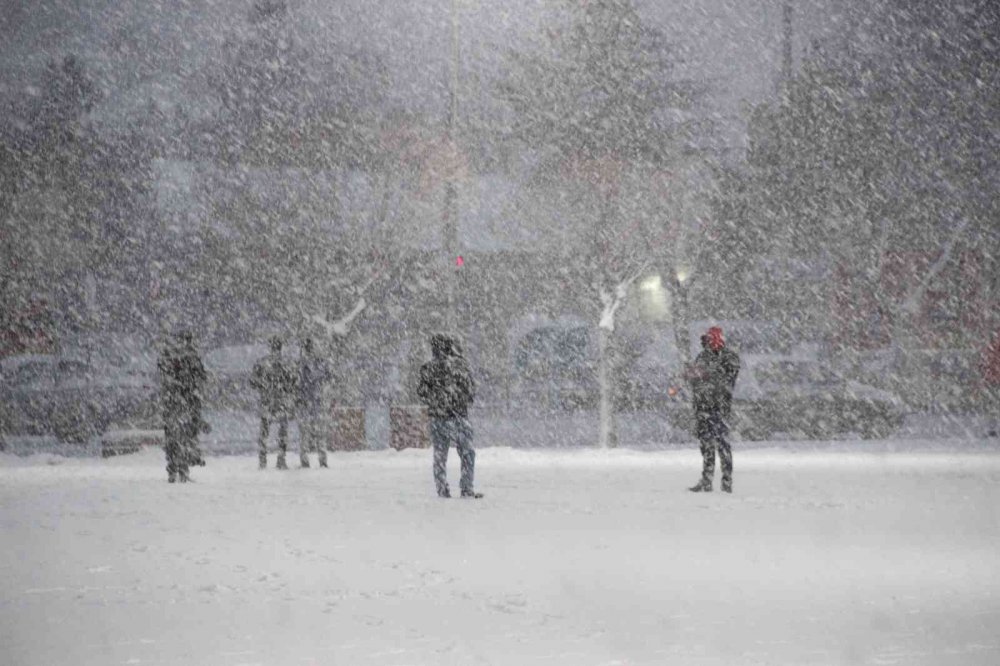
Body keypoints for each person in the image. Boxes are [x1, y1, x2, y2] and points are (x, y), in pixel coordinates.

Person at [417, 333, 481, 498]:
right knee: (467, 453)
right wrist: (459, 399)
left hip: (438, 418)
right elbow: (471, 391)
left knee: (439, 455)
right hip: (459, 416)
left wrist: (436, 398)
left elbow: (421, 392)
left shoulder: (427, 368)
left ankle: (441, 488)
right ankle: (467, 488)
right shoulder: (461, 365)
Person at [685, 326, 740, 493]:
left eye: (709, 339)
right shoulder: (702, 356)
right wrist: (693, 376)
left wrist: (707, 376)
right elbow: (695, 379)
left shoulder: (729, 357)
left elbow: (727, 378)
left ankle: (726, 481)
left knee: (722, 445)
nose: (707, 343)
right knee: (706, 444)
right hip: (702, 407)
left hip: (719, 408)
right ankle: (707, 479)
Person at [157, 331, 208, 483]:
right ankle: (183, 468)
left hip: (173, 400)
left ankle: (173, 469)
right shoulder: (192, 356)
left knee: (172, 435)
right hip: (187, 400)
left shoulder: (168, 355)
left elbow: (162, 372)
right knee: (187, 434)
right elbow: (201, 376)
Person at [251, 336, 297, 469]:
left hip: (268, 401)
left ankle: (264, 459)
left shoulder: (263, 363)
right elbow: (293, 383)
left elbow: (253, 382)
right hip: (280, 401)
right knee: (281, 431)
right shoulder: (287, 364)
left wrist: (263, 386)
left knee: (266, 432)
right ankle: (280, 459)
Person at [297, 337, 330, 468]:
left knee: (310, 433)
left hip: (312, 402)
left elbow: (326, 378)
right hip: (312, 402)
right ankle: (319, 460)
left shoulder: (303, 365)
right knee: (315, 433)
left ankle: (311, 460)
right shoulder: (317, 363)